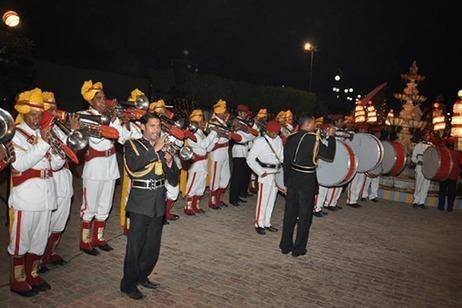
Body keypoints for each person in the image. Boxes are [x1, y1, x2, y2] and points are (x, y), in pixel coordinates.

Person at [8, 88, 64, 296]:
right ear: (23, 113)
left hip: (46, 194)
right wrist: (43, 143)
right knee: (21, 239)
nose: (37, 118)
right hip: (27, 196)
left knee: (39, 238)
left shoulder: (41, 133)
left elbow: (55, 165)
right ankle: (17, 279)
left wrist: (60, 152)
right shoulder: (15, 134)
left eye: (40, 114)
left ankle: (31, 273)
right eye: (33, 114)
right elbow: (20, 164)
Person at [120, 113, 179, 300]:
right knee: (135, 246)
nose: (156, 129)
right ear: (142, 127)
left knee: (152, 246)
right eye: (152, 126)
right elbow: (133, 166)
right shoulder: (132, 145)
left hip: (157, 201)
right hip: (140, 201)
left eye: (158, 126)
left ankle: (142, 275)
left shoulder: (163, 148)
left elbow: (174, 179)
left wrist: (170, 160)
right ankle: (128, 284)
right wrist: (155, 150)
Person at [79, 81, 142, 255]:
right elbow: (97, 139)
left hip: (110, 165)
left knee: (105, 204)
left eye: (103, 98)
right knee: (89, 205)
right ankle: (85, 241)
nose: (102, 102)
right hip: (94, 167)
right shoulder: (84, 116)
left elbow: (122, 138)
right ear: (90, 102)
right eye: (98, 99)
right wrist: (110, 121)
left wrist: (124, 122)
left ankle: (98, 237)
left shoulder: (108, 116)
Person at [280, 115, 336, 257]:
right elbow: (329, 155)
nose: (315, 126)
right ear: (309, 124)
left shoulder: (291, 137)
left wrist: (286, 182)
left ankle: (285, 246)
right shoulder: (313, 139)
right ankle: (298, 249)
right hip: (307, 181)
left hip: (292, 179)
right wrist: (331, 137)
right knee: (305, 217)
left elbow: (286, 162)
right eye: (314, 123)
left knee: (290, 214)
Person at [246, 120, 285, 235]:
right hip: (265, 173)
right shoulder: (260, 141)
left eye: (276, 133)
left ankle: (267, 222)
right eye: (272, 132)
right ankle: (259, 223)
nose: (274, 135)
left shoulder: (278, 140)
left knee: (272, 199)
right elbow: (250, 159)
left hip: (276, 173)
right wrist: (260, 171)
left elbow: (281, 156)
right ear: (267, 131)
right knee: (263, 200)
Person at [184, 109, 218, 215]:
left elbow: (207, 148)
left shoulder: (201, 133)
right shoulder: (191, 133)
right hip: (196, 162)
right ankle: (188, 206)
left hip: (203, 161)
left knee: (201, 185)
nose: (203, 122)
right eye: (201, 120)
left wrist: (215, 139)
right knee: (193, 183)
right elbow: (203, 144)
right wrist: (213, 133)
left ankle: (196, 205)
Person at [229, 104, 256, 207]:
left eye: (245, 112)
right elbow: (244, 136)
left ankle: (238, 195)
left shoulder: (245, 122)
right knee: (237, 176)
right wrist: (249, 135)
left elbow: (251, 135)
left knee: (241, 175)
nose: (245, 114)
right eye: (243, 112)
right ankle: (233, 198)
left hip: (244, 149)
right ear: (240, 112)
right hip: (238, 149)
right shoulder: (237, 122)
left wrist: (249, 135)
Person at [438, 141, 462, 212]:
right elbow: (460, 164)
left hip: (443, 174)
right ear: (453, 145)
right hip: (453, 176)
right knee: (451, 193)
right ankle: (449, 208)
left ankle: (441, 206)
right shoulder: (457, 153)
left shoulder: (443, 152)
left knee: (442, 191)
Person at [411, 132, 432, 209]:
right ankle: (415, 201)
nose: (427, 137)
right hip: (420, 168)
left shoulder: (432, 146)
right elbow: (413, 157)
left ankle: (422, 202)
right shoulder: (418, 146)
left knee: (426, 185)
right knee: (418, 185)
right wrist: (417, 161)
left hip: (429, 169)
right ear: (422, 136)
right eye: (425, 135)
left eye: (428, 136)